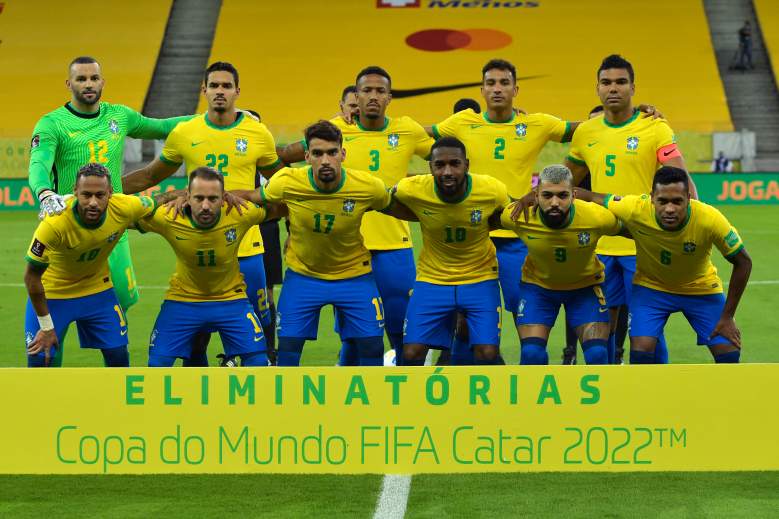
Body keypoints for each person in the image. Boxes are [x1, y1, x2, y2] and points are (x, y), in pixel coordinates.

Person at [122, 61, 284, 365]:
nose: (220, 92)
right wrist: (108, 192)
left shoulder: (257, 133)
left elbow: (282, 183)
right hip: (200, 241)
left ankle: (260, 379)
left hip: (247, 245)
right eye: (214, 86)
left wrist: (255, 199)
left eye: (226, 86)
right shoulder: (185, 132)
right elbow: (149, 176)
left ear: (237, 91)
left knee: (260, 328)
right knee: (196, 337)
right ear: (204, 90)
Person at [27, 56, 191, 342]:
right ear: (69, 84)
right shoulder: (52, 123)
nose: (88, 84)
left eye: (93, 78)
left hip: (111, 225)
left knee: (124, 296)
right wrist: (44, 193)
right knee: (55, 297)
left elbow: (164, 127)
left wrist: (215, 117)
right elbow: (38, 163)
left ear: (102, 81)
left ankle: (102, 340)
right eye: (81, 79)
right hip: (67, 226)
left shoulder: (119, 116)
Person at [279, 67, 433, 365]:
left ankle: (404, 399)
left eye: (379, 91)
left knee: (401, 330)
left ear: (389, 97)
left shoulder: (407, 130)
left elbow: (445, 159)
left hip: (393, 245)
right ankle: (351, 397)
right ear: (356, 96)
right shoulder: (336, 133)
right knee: (354, 334)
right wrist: (293, 219)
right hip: (344, 250)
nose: (373, 96)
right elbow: (284, 156)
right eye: (366, 91)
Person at [427, 60, 576, 357]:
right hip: (474, 239)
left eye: (504, 83)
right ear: (481, 89)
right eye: (491, 83)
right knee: (465, 320)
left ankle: (529, 381)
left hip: (516, 238)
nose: (497, 89)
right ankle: (467, 383)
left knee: (527, 319)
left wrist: (638, 115)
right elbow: (409, 134)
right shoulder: (460, 123)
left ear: (515, 89)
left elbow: (588, 130)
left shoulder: (536, 124)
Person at [562, 54, 697, 364]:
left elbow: (682, 181)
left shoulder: (654, 127)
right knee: (601, 330)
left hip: (643, 245)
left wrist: (692, 221)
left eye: (621, 82)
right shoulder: (586, 132)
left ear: (633, 87)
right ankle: (609, 391)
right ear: (597, 88)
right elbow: (565, 179)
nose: (614, 88)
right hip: (598, 246)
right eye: (606, 82)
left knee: (646, 329)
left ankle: (654, 390)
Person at [245, 120, 392, 366]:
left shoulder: (368, 186)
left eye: (332, 152)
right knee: (289, 347)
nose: (325, 160)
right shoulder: (287, 181)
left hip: (354, 275)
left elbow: (398, 207)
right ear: (306, 156)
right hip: (304, 275)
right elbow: (252, 197)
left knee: (372, 346)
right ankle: (287, 404)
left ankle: (370, 403)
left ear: (343, 154)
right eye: (318, 153)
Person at [579, 166, 752, 363]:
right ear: (652, 197)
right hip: (651, 288)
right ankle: (647, 394)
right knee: (641, 351)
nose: (670, 208)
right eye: (662, 201)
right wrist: (539, 197)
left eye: (677, 201)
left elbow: (743, 262)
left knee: (728, 352)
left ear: (688, 197)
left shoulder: (709, 219)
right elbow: (592, 197)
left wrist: (728, 316)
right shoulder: (635, 207)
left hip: (700, 288)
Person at [135, 167, 283, 367]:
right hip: (183, 301)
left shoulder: (239, 213)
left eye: (213, 199)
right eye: (198, 198)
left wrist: (244, 195)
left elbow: (282, 207)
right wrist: (169, 196)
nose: (205, 206)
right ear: (187, 196)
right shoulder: (169, 217)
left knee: (258, 362)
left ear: (224, 198)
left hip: (231, 300)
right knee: (157, 365)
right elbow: (123, 215)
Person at [389, 137, 509, 365]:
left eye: (455, 163)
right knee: (411, 353)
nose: (447, 171)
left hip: (480, 277)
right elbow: (380, 200)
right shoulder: (412, 188)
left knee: (488, 354)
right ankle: (415, 400)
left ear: (467, 165)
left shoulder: (492, 190)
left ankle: (481, 397)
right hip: (432, 279)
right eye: (439, 165)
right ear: (430, 167)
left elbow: (512, 214)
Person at [23, 164, 157, 367]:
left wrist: (187, 196)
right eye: (86, 195)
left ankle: (115, 399)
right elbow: (31, 278)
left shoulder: (124, 206)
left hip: (97, 290)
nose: (93, 202)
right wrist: (46, 327)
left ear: (110, 193)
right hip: (53, 294)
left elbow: (158, 203)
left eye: (100, 195)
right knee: (40, 358)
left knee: (118, 355)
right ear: (75, 191)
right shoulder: (54, 223)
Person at [502, 165, 622, 365]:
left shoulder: (597, 217)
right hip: (538, 289)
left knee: (597, 355)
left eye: (562, 196)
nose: (555, 202)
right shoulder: (517, 216)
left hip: (585, 288)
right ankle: (534, 397)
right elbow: (486, 223)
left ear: (574, 195)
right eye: (547, 195)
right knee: (531, 353)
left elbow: (631, 231)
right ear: (536, 194)